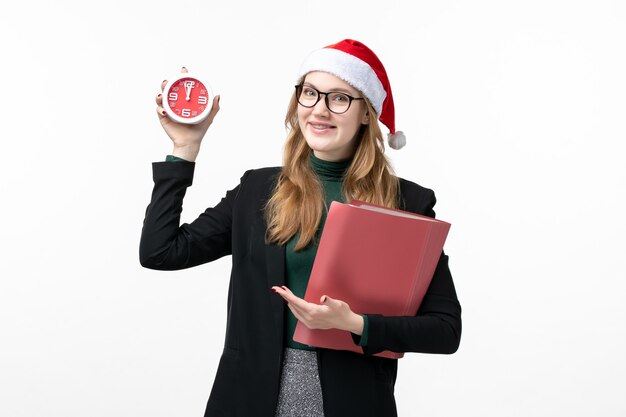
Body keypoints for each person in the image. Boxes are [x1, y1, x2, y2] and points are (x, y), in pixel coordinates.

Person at [140, 39, 462, 417]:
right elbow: (161, 252)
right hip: (248, 400)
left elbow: (444, 330)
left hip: (352, 401)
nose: (320, 110)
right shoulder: (257, 190)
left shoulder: (407, 202)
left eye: (339, 98)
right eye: (310, 94)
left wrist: (355, 324)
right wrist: (185, 148)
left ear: (365, 114)